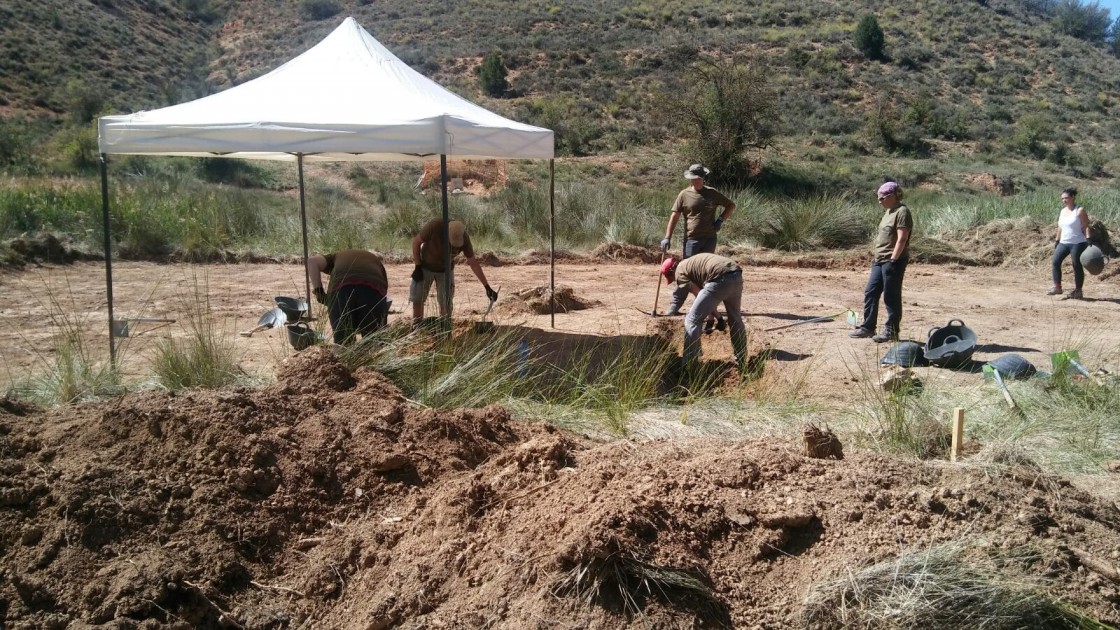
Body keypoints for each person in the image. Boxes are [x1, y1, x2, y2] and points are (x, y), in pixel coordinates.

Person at [660, 163, 736, 319]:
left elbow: (730, 205)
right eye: (692, 178)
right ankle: (676, 304)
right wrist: (667, 236)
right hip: (692, 240)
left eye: (697, 178)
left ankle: (705, 305)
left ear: (703, 178)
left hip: (709, 239)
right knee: (685, 274)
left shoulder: (712, 193)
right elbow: (674, 216)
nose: (694, 181)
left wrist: (721, 220)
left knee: (706, 274)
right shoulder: (684, 195)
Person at [661, 253, 748, 369]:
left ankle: (689, 365)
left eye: (670, 278)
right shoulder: (691, 264)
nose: (673, 281)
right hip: (736, 274)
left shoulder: (679, 272)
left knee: (692, 320)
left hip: (719, 278)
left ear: (671, 271)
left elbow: (699, 295)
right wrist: (718, 318)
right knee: (735, 319)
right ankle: (741, 361)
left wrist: (718, 317)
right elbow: (707, 298)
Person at [850, 181, 913, 343]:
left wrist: (893, 259)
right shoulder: (888, 211)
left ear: (892, 196)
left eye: (882, 198)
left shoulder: (902, 212)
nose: (880, 201)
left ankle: (891, 331)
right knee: (871, 292)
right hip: (879, 260)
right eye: (878, 198)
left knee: (891, 297)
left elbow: (902, 238)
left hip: (893, 261)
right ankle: (868, 327)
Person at [411, 218, 498, 322]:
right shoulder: (434, 226)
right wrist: (417, 266)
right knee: (418, 299)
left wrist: (487, 287)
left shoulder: (465, 238)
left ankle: (444, 328)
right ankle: (417, 326)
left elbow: (473, 263)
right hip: (425, 266)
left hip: (446, 271)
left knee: (446, 302)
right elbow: (416, 243)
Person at [306, 249, 390, 345]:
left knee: (344, 343)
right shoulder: (375, 260)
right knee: (374, 342)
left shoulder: (335, 256)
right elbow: (383, 291)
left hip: (341, 290)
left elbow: (312, 261)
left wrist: (319, 292)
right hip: (373, 288)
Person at [1048, 187, 1090, 299]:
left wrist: (1089, 239)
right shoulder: (1063, 211)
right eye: (1062, 198)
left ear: (1073, 197)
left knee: (1076, 265)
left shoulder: (1079, 210)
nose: (1064, 200)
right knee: (1056, 262)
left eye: (1066, 198)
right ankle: (1057, 287)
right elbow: (1060, 227)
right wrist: (1057, 240)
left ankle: (1078, 291)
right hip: (1064, 242)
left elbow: (1086, 226)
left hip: (1078, 242)